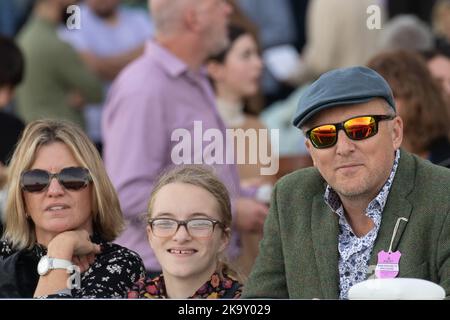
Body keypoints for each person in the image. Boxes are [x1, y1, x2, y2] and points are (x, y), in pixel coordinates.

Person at [242, 66, 450, 299]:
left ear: (395, 133)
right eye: (324, 136)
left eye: (360, 128)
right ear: (310, 150)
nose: (343, 148)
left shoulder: (443, 197)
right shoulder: (291, 197)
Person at [102, 0, 269, 274]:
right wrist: (230, 209)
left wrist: (248, 196)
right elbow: (126, 195)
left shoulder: (192, 77)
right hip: (160, 278)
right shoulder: (143, 88)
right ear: (194, 19)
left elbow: (191, 174)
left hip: (194, 275)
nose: (229, 10)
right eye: (218, 4)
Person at [0, 119, 145, 298]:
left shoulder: (122, 264)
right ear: (21, 199)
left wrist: (61, 250)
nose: (54, 191)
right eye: (36, 180)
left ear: (95, 191)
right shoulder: (5, 256)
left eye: (72, 178)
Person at [127, 166, 243, 298]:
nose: (181, 236)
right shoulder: (132, 295)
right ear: (150, 235)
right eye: (165, 222)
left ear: (224, 237)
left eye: (199, 223)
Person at [59, 0, 153, 152]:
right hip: (91, 130)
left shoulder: (139, 18)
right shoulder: (74, 15)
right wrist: (138, 57)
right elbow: (86, 64)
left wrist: (103, 63)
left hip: (135, 126)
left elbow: (156, 54)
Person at [16, 0, 102, 130]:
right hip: (63, 137)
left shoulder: (23, 39)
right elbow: (96, 91)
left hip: (34, 136)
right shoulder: (57, 44)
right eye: (73, 3)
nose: (75, 8)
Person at [368, 50, 450, 168]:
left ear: (417, 98)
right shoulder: (370, 160)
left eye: (392, 96)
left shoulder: (444, 159)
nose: (378, 107)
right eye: (372, 100)